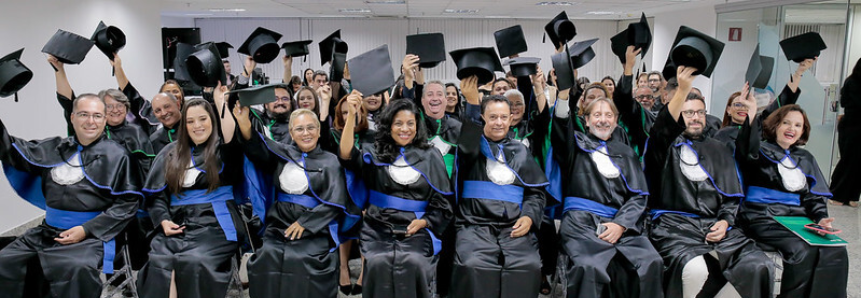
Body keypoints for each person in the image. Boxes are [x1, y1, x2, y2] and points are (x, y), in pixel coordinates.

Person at [644, 66, 773, 298]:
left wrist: (725, 222)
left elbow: (731, 196)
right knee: (695, 269)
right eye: (689, 112)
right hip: (674, 227)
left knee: (758, 265)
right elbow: (661, 131)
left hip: (718, 227)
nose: (695, 117)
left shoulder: (719, 149)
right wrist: (682, 90)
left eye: (700, 112)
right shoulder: (664, 148)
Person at [0, 94, 143, 298]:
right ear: (73, 117)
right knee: (6, 260)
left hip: (91, 236)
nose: (91, 121)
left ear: (104, 120)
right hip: (46, 232)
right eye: (84, 114)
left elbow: (128, 204)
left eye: (97, 116)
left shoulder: (119, 156)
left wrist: (86, 230)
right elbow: (10, 149)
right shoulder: (54, 147)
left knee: (75, 267)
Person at [546, 81, 663, 298]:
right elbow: (561, 124)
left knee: (651, 262)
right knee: (589, 267)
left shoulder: (626, 152)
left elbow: (639, 195)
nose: (603, 120)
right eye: (597, 115)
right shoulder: (574, 144)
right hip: (581, 226)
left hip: (621, 225)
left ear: (616, 121)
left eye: (608, 115)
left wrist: (621, 225)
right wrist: (563, 95)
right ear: (587, 121)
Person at [234, 106, 359, 298]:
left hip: (315, 232)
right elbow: (257, 146)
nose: (306, 133)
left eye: (311, 128)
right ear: (291, 132)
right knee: (268, 257)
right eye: (299, 129)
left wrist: (305, 223)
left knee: (302, 261)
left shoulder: (331, 161)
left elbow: (336, 201)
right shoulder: (281, 154)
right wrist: (243, 121)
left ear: (318, 131)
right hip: (279, 227)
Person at [339, 97, 453, 298]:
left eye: (410, 123)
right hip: (378, 225)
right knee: (378, 261)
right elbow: (347, 154)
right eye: (398, 123)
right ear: (389, 126)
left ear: (417, 126)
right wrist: (351, 117)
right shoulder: (375, 150)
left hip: (417, 227)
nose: (405, 129)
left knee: (414, 261)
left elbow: (442, 201)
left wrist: (425, 222)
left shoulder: (431, 155)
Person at [137, 86, 246, 298]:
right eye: (190, 121)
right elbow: (156, 196)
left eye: (203, 119)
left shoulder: (223, 150)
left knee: (193, 261)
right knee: (160, 262)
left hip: (215, 225)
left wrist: (221, 102)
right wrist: (163, 220)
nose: (197, 125)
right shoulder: (168, 152)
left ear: (212, 121)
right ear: (183, 125)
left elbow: (231, 136)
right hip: (177, 224)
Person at [449, 76, 550, 298]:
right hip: (474, 226)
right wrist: (472, 104)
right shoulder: (470, 147)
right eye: (492, 117)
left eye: (504, 117)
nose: (498, 122)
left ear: (511, 118)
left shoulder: (521, 150)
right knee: (473, 265)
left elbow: (535, 192)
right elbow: (467, 145)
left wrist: (529, 217)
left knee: (530, 265)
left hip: (513, 228)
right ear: (483, 118)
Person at [735, 102, 848, 298]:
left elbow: (814, 196)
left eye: (798, 125)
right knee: (801, 250)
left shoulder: (806, 158)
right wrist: (752, 115)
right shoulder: (758, 151)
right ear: (775, 125)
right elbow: (746, 146)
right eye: (786, 123)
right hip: (762, 216)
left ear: (803, 130)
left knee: (835, 250)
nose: (791, 129)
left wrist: (821, 218)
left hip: (798, 219)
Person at [322, 93, 376, 295]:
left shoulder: (372, 135)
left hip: (367, 190)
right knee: (345, 231)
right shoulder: (333, 135)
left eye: (354, 110)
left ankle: (364, 271)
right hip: (341, 190)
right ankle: (343, 267)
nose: (350, 114)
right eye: (344, 112)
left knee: (366, 231)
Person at [831, 57, 861, 206]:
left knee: (857, 163)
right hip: (852, 127)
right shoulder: (853, 82)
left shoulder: (851, 81)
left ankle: (852, 196)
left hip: (852, 125)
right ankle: (838, 194)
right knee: (848, 161)